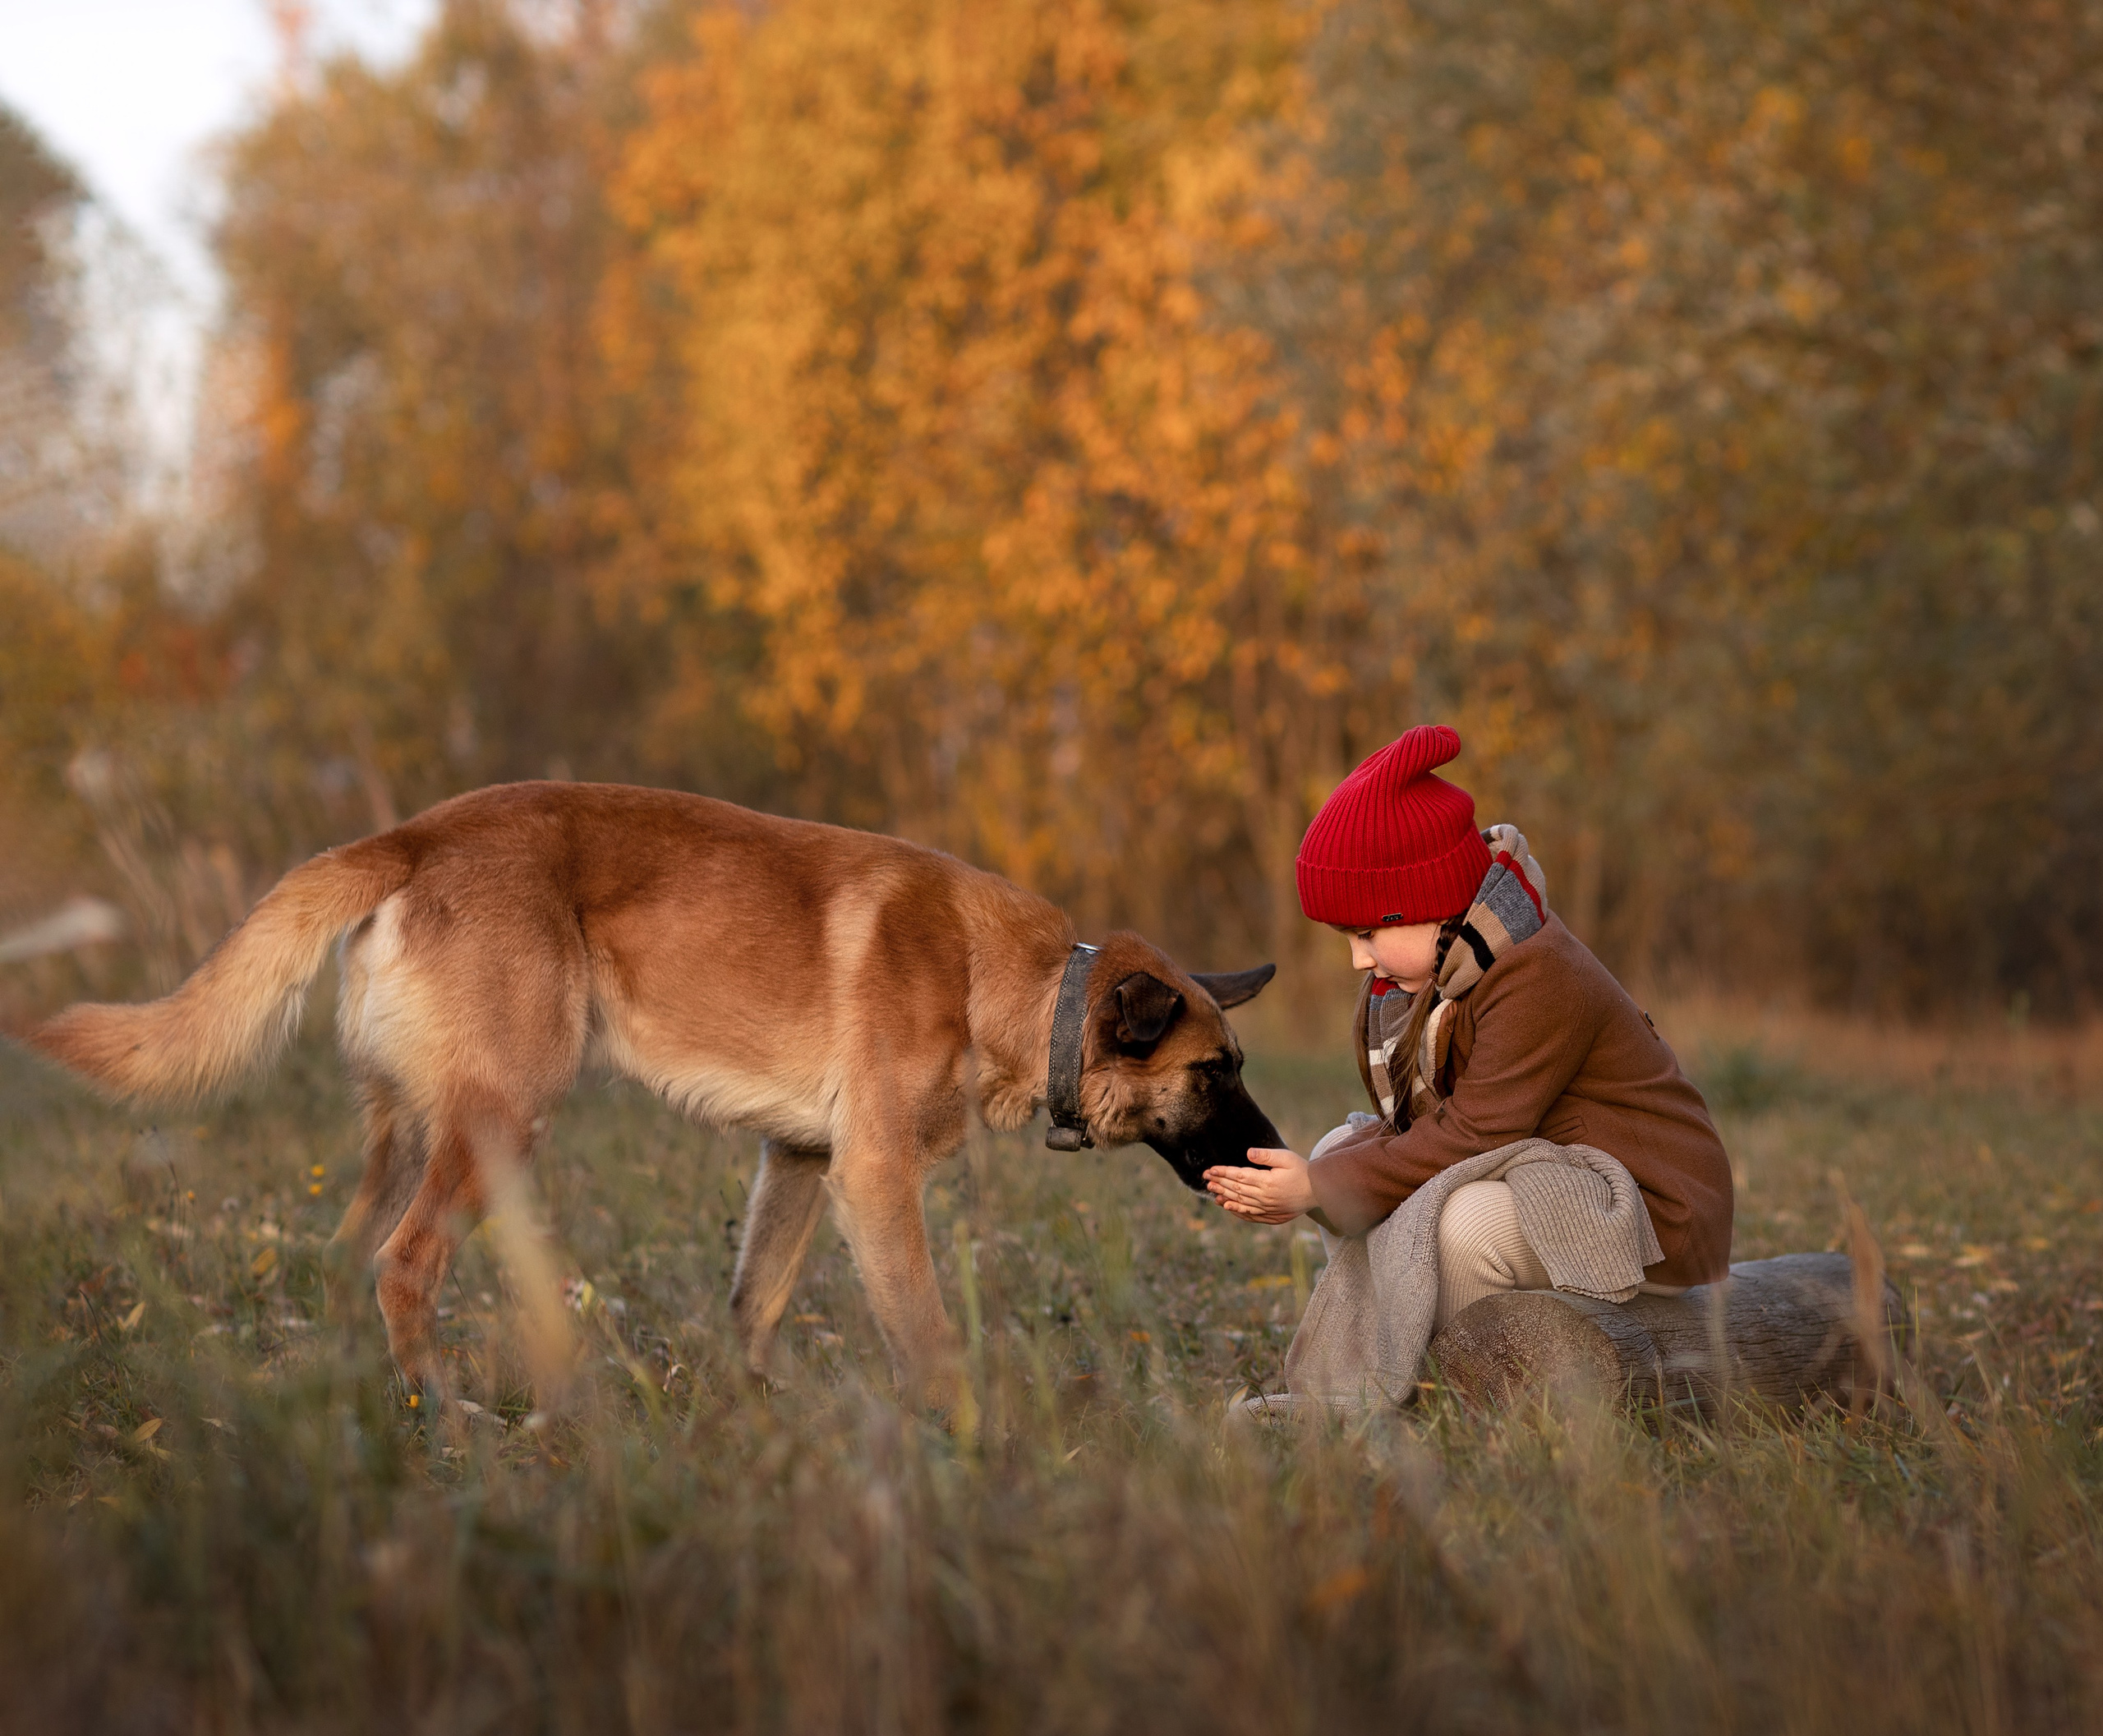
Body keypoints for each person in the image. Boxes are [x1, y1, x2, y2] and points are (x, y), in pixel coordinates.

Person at [1203, 725, 1733, 1327]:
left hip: (1652, 1211)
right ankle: (1387, 1357)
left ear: (1427, 897)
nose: (1358, 959)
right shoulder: (1444, 969)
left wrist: (1321, 1188)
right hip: (1551, 1172)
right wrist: (1322, 1176)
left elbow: (1477, 1132)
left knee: (1465, 1222)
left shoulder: (1538, 972)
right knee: (1332, 1153)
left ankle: (1462, 1385)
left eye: (1367, 932)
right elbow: (1424, 1125)